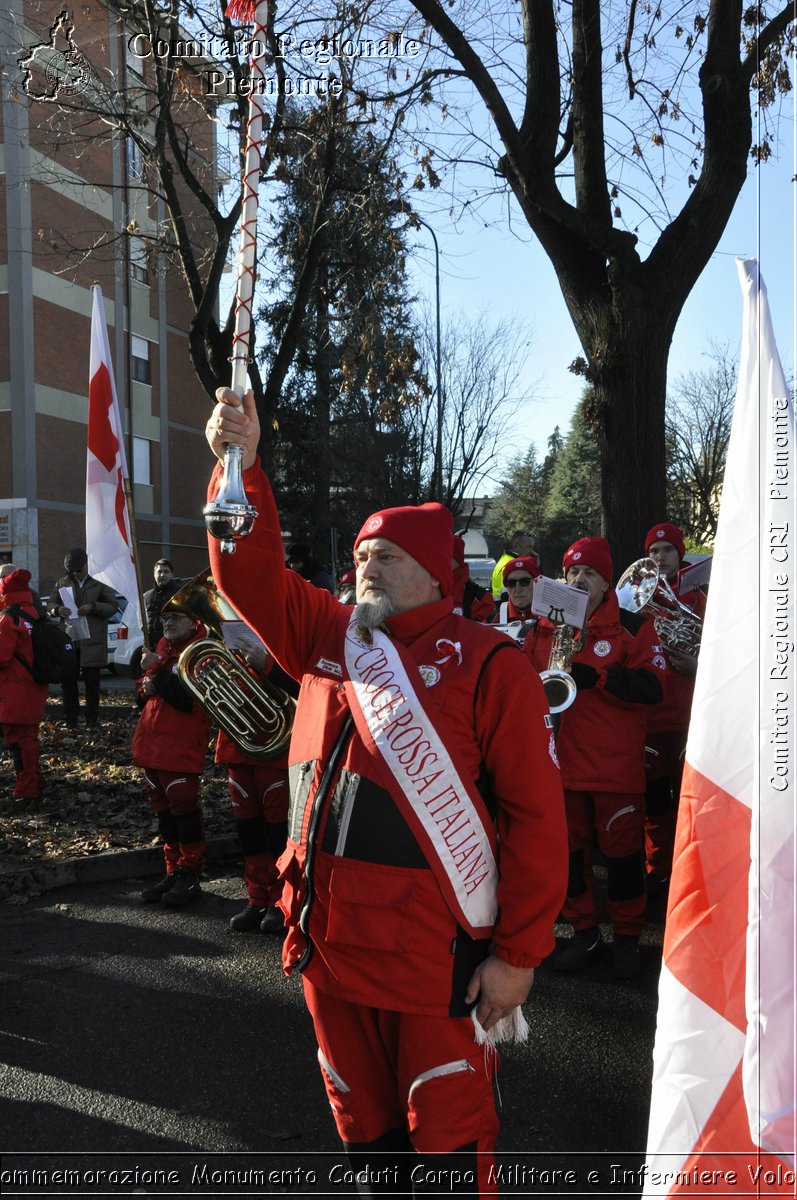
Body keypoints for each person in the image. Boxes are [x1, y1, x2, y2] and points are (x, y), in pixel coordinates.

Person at [205, 387, 568, 1196]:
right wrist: (242, 466)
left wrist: (517, 957)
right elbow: (247, 574)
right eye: (361, 554)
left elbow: (538, 821)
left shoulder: (489, 663)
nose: (365, 563)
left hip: (427, 960)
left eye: (386, 555)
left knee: (443, 1140)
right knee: (365, 1144)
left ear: (436, 573)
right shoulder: (333, 635)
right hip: (328, 946)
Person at [525, 537, 667, 979]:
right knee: (568, 858)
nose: (579, 580)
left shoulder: (632, 626)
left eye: (589, 573)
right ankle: (584, 933)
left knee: (623, 860)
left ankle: (627, 939)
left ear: (607, 581)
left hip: (613, 769)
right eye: (571, 573)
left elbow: (653, 688)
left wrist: (601, 677)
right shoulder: (544, 629)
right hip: (560, 769)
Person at [215, 628, 294, 934]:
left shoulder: (284, 636)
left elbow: (300, 686)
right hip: (237, 747)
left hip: (273, 752)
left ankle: (281, 900)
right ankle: (256, 897)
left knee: (276, 832)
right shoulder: (227, 642)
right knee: (249, 831)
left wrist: (266, 664)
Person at [642, 522, 706, 898]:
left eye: (667, 550)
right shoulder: (637, 601)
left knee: (690, 800)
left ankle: (690, 871)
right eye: (653, 551)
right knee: (653, 805)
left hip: (690, 719)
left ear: (680, 554)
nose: (660, 557)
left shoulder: (700, 599)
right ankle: (657, 872)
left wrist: (700, 666)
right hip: (651, 720)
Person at [133, 609, 212, 908]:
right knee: (164, 814)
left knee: (184, 810)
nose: (169, 622)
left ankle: (189, 873)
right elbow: (141, 694)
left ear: (195, 621)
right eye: (166, 617)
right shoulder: (163, 651)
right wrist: (147, 682)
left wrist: (155, 672)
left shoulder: (200, 653)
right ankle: (173, 869)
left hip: (179, 744)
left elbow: (184, 699)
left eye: (177, 617)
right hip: (152, 744)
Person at [48, 548, 119, 728]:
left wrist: (93, 607)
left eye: (78, 570)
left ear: (87, 565)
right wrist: (57, 610)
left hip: (92, 641)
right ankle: (71, 720)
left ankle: (92, 720)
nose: (76, 574)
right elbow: (51, 603)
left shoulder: (100, 582)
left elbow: (112, 606)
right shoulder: (62, 582)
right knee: (68, 684)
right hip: (70, 641)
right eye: (72, 571)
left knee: (92, 685)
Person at [0, 569, 48, 808]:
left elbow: (2, 657)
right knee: (29, 738)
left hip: (14, 692)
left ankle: (25, 791)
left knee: (19, 743)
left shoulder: (9, 619)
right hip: (34, 687)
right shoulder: (36, 614)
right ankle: (36, 782)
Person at [488, 555, 541, 634]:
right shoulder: (493, 620)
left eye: (524, 581)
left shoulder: (552, 617)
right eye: (511, 583)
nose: (518, 589)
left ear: (537, 583)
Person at [451, 536, 495, 623]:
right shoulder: (424, 591)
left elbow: (484, 632)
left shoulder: (479, 597)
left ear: (457, 560)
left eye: (445, 555)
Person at [143, 559, 182, 646]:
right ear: (154, 574)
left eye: (166, 572)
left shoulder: (180, 594)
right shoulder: (146, 597)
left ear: (172, 574)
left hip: (173, 647)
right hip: (152, 648)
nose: (162, 575)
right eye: (159, 571)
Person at [490, 530, 538, 600]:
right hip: (506, 606)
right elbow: (508, 593)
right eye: (528, 547)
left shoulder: (506, 559)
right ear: (517, 546)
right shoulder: (512, 565)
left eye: (532, 547)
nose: (532, 551)